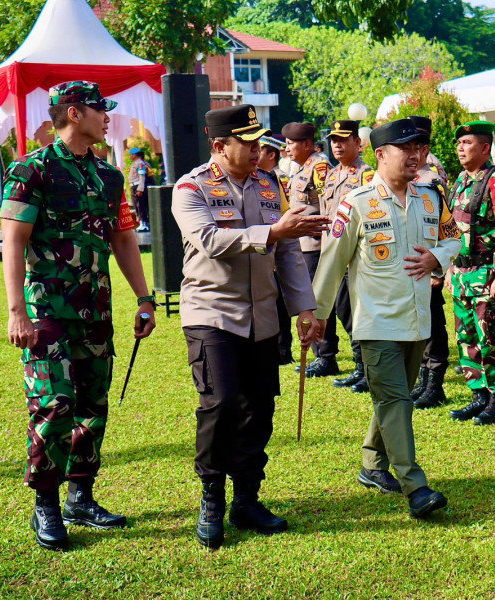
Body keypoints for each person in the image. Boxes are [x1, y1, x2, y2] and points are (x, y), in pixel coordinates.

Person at [0, 81, 156, 550]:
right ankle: (46, 505)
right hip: (47, 310)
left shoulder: (108, 175)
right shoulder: (32, 169)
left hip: (96, 309)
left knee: (93, 405)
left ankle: (80, 497)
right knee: (54, 405)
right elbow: (14, 240)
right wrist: (17, 313)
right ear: (72, 113)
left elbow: (123, 239)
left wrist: (144, 299)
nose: (107, 116)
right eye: (99, 109)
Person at [172, 104, 328, 548]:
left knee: (259, 407)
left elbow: (290, 252)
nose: (260, 148)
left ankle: (247, 497)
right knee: (219, 405)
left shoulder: (268, 183)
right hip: (211, 314)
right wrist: (274, 232)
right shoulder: (191, 187)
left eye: (260, 140)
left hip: (262, 317)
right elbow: (208, 241)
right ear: (220, 146)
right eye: (250, 141)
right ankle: (212, 498)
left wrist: (303, 308)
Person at [312, 118, 460, 518]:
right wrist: (317, 315)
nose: (416, 156)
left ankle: (372, 464)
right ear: (380, 154)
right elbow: (332, 262)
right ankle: (415, 486)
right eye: (406, 149)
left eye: (422, 148)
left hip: (418, 320)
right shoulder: (357, 202)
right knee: (396, 400)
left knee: (393, 398)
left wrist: (438, 257)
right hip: (376, 322)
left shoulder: (431, 198)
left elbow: (453, 237)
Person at [447, 121, 495, 426]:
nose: (461, 149)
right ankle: (478, 393)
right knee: (467, 337)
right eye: (459, 143)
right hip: (462, 275)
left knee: (492, 338)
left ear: (485, 148)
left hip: (487, 274)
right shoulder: (461, 182)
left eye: (467, 143)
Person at [321, 120, 376, 393]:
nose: (337, 145)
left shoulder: (367, 175)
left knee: (360, 313)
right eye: (333, 140)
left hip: (358, 257)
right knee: (344, 311)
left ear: (359, 143)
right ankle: (360, 366)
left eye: (343, 140)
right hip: (335, 254)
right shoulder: (331, 176)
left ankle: (369, 370)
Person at [284, 121, 337, 377]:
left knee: (316, 302)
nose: (286, 148)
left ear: (306, 143)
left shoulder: (320, 167)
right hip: (303, 243)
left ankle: (326, 356)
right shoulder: (302, 167)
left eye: (291, 143)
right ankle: (321, 354)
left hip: (315, 244)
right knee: (309, 300)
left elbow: (327, 204)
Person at [407, 115, 453, 409]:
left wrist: (438, 268)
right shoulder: (412, 175)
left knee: (434, 323)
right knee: (422, 322)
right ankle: (424, 379)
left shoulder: (432, 178)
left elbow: (443, 225)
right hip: (415, 263)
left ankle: (435, 383)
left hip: (430, 263)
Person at [258, 134, 296, 365]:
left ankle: (283, 350)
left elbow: (285, 218)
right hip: (261, 247)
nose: (255, 153)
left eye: (260, 149)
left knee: (280, 305)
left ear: (271, 155)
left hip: (275, 249)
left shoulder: (278, 180)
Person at [128, 147, 153, 232]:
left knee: (141, 206)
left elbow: (142, 177)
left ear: (134, 155)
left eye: (131, 155)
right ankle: (142, 222)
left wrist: (140, 189)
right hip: (134, 186)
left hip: (138, 187)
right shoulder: (136, 163)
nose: (130, 157)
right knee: (137, 206)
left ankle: (144, 224)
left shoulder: (140, 164)